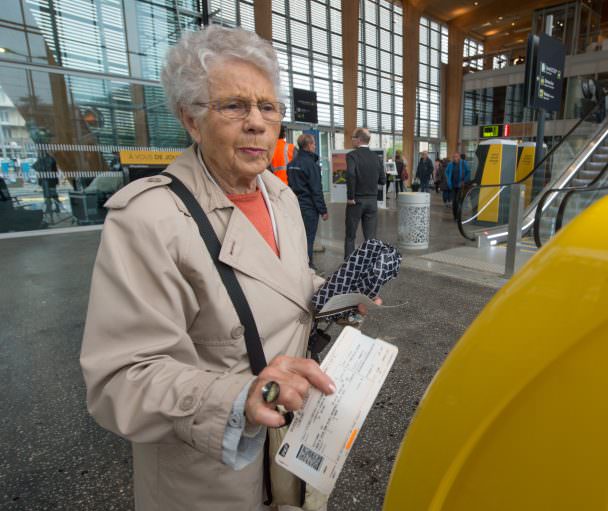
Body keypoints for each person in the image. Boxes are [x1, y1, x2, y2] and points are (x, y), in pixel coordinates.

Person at [80, 26, 345, 511]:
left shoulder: (279, 195)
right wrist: (244, 394)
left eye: (268, 107)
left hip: (288, 447)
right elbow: (120, 377)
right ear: (192, 120)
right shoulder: (149, 217)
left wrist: (339, 293)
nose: (258, 123)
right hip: (208, 474)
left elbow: (289, 286)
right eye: (234, 106)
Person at [287, 133, 328, 269]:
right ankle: (308, 265)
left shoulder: (291, 165)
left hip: (294, 205)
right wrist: (323, 210)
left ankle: (297, 263)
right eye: (314, 144)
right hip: (309, 207)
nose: (315, 146)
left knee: (297, 236)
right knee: (308, 237)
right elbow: (316, 190)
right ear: (309, 145)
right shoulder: (312, 165)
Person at [344, 127, 386, 259]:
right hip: (372, 201)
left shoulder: (352, 155)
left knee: (351, 235)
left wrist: (350, 197)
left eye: (352, 138)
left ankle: (349, 265)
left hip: (356, 201)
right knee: (370, 237)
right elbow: (383, 180)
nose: (351, 140)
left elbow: (351, 175)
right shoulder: (376, 157)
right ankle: (370, 263)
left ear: (359, 140)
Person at [445, 152, 470, 221]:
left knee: (458, 200)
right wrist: (448, 180)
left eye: (456, 157)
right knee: (454, 201)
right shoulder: (450, 164)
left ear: (459, 157)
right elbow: (446, 172)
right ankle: (455, 216)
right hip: (453, 185)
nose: (455, 158)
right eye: (453, 157)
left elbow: (468, 172)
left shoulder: (463, 163)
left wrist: (464, 180)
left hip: (460, 185)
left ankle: (458, 216)